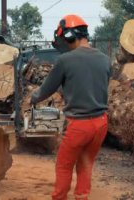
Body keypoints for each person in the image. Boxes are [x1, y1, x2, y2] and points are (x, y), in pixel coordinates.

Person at [30, 15, 111, 200]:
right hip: (101, 123)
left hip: (79, 124)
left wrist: (33, 99)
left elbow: (45, 90)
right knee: (86, 162)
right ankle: (82, 196)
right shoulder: (105, 59)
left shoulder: (65, 60)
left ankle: (59, 197)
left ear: (68, 35)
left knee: (64, 164)